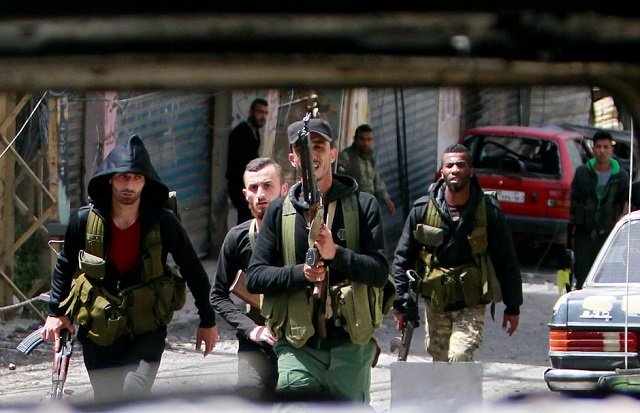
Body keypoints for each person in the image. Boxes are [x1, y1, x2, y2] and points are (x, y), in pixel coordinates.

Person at [42, 135, 219, 402]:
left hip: (146, 329)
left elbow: (192, 268)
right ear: (111, 179)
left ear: (145, 182)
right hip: (99, 331)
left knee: (133, 396)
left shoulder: (163, 223)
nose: (129, 185)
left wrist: (208, 320)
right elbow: (65, 264)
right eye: (123, 177)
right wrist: (56, 312)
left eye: (136, 178)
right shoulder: (85, 221)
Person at [245, 118, 389, 404]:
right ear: (293, 158)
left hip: (350, 348)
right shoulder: (278, 212)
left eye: (319, 146)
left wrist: (337, 254)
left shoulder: (363, 205)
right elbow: (256, 277)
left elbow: (380, 272)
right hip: (298, 348)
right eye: (303, 150)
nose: (313, 156)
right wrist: (302, 274)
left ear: (333, 154)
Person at [391, 143, 522, 363]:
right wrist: (401, 302)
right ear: (441, 172)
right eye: (449, 165)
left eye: (461, 165)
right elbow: (402, 258)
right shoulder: (422, 210)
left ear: (471, 171)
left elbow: (506, 259)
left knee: (459, 357)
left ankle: (462, 397)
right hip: (436, 303)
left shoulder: (487, 212)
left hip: (471, 303)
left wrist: (513, 305)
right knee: (441, 364)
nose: (455, 169)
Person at [210, 157, 288, 400]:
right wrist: (251, 329)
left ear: (284, 189)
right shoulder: (238, 238)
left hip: (300, 341)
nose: (260, 194)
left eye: (267, 186)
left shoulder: (301, 234)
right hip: (258, 345)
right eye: (253, 188)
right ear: (245, 194)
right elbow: (218, 295)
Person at [569, 130, 629, 289]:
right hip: (584, 235)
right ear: (593, 149)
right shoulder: (582, 173)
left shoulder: (621, 176)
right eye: (598, 147)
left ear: (611, 149)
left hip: (609, 236)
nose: (602, 151)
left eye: (606, 147)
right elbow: (573, 203)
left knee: (607, 278)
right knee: (582, 276)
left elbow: (626, 205)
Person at [226, 98, 269, 224]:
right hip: (239, 185)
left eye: (266, 113)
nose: (263, 116)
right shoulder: (241, 133)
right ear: (251, 112)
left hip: (247, 184)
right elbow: (239, 164)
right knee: (246, 219)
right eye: (260, 112)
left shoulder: (254, 131)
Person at [338, 124, 395, 215]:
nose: (366, 143)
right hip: (352, 207)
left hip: (369, 205)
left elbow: (377, 182)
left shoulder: (371, 158)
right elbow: (339, 181)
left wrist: (386, 199)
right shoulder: (346, 156)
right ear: (355, 139)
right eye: (362, 139)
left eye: (369, 140)